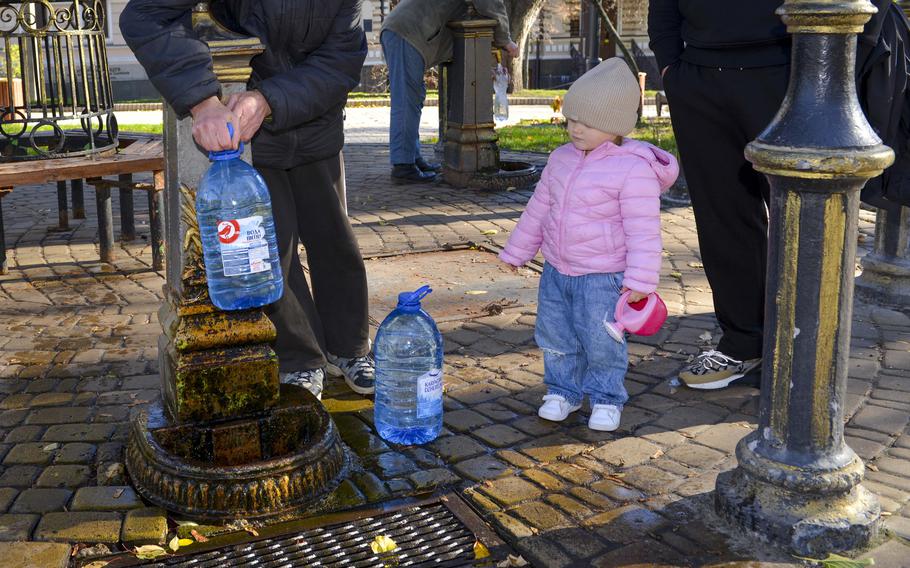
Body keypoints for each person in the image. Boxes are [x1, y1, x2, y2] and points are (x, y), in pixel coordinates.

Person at [120, 0, 374, 400]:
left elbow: (341, 58)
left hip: (314, 117)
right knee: (273, 250)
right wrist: (203, 100)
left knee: (335, 240)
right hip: (242, 127)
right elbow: (144, 16)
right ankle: (299, 358)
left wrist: (269, 100)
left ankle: (350, 348)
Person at [499, 59, 679, 431]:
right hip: (556, 270)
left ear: (615, 126)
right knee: (554, 334)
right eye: (571, 119)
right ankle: (562, 391)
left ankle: (606, 398)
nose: (575, 128)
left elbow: (643, 230)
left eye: (586, 122)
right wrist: (518, 250)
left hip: (603, 277)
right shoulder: (560, 159)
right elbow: (539, 208)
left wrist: (641, 282)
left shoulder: (633, 169)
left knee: (601, 340)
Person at [648, 0, 791, 390]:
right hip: (698, 79)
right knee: (722, 218)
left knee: (799, 217)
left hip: (785, 73)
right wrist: (670, 68)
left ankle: (802, 348)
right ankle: (743, 344)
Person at [380, 0, 520, 183]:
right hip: (407, 31)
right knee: (406, 100)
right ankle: (403, 167)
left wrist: (486, 65)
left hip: (405, 30)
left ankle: (411, 158)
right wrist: (506, 40)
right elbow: (489, 2)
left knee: (413, 99)